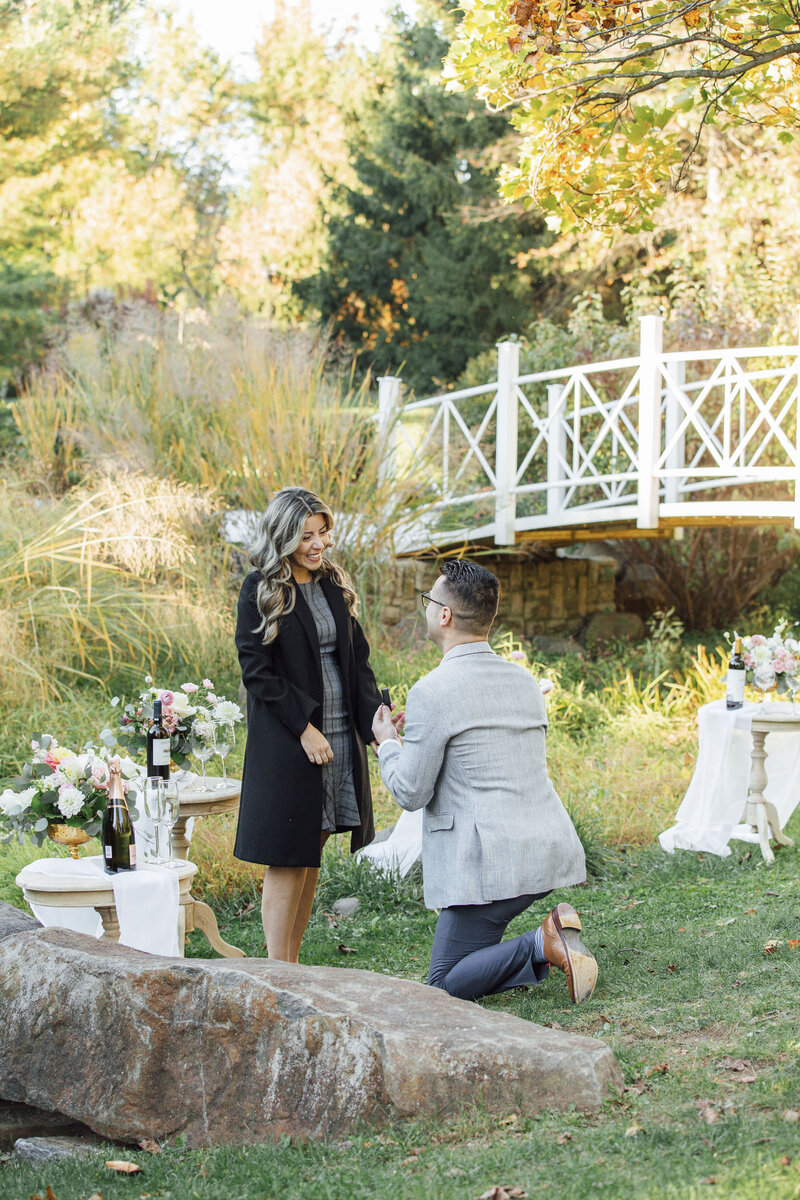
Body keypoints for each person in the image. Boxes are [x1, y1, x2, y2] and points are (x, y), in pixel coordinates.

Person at [371, 559, 598, 1004]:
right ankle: (544, 941)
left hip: (488, 859)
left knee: (444, 984)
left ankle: (544, 941)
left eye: (428, 600)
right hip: (546, 844)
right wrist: (413, 734)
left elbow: (410, 792)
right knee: (466, 958)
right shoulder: (524, 681)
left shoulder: (432, 691)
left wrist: (389, 744)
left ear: (444, 615)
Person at [234, 485, 383, 962]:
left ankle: (292, 963)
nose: (318, 545)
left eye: (322, 533)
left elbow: (356, 662)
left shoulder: (333, 584)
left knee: (313, 845)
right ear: (282, 537)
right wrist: (304, 728)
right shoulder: (261, 588)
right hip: (291, 738)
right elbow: (256, 671)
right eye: (305, 537)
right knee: (289, 852)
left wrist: (377, 725)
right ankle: (278, 969)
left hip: (340, 732)